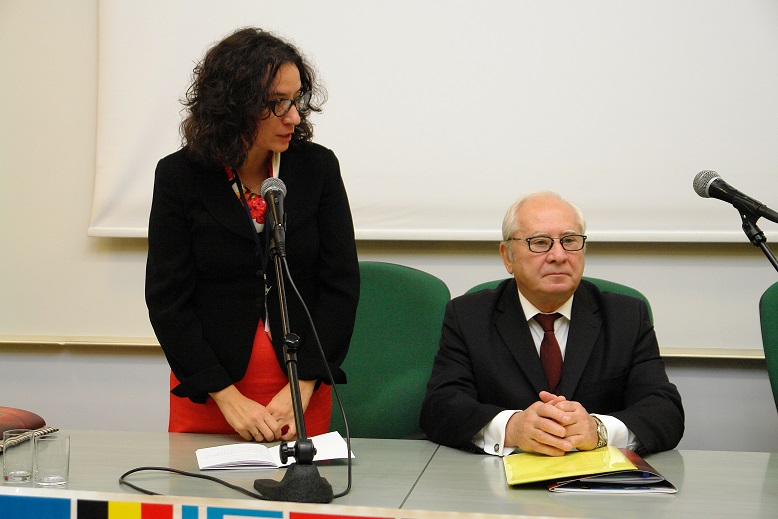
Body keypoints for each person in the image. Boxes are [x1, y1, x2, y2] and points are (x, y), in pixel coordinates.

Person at [145, 27, 359, 443]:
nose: (293, 116)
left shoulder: (317, 168)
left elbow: (341, 285)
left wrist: (303, 386)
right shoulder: (179, 176)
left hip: (299, 386)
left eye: (296, 100)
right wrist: (226, 397)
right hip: (211, 389)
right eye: (277, 103)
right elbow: (167, 299)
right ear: (233, 104)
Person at [420, 191, 684, 456]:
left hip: (598, 476)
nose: (559, 255)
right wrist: (512, 427)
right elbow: (440, 407)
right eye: (540, 242)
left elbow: (665, 411)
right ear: (508, 256)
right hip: (497, 474)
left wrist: (599, 430)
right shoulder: (469, 316)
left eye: (569, 241)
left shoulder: (626, 316)